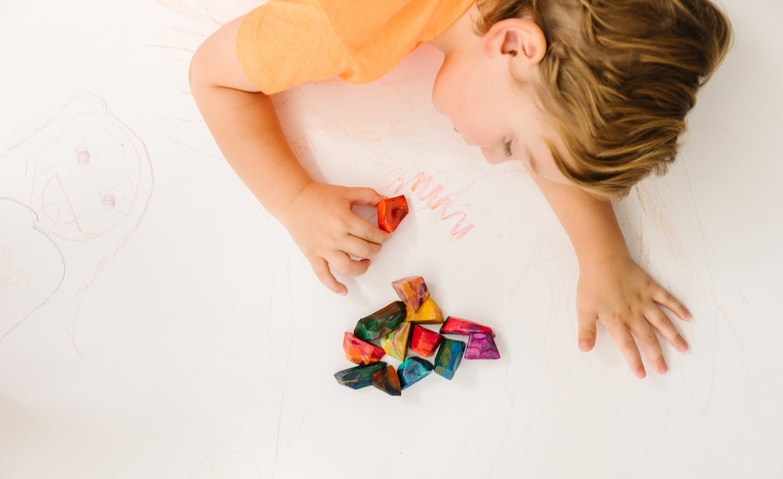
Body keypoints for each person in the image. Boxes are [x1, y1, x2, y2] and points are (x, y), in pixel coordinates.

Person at [188, 0, 732, 378]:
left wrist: (603, 256)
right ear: (513, 44)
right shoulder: (343, 24)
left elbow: (552, 96)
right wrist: (295, 199)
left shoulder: (534, 29)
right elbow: (213, 76)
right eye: (515, 145)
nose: (496, 158)